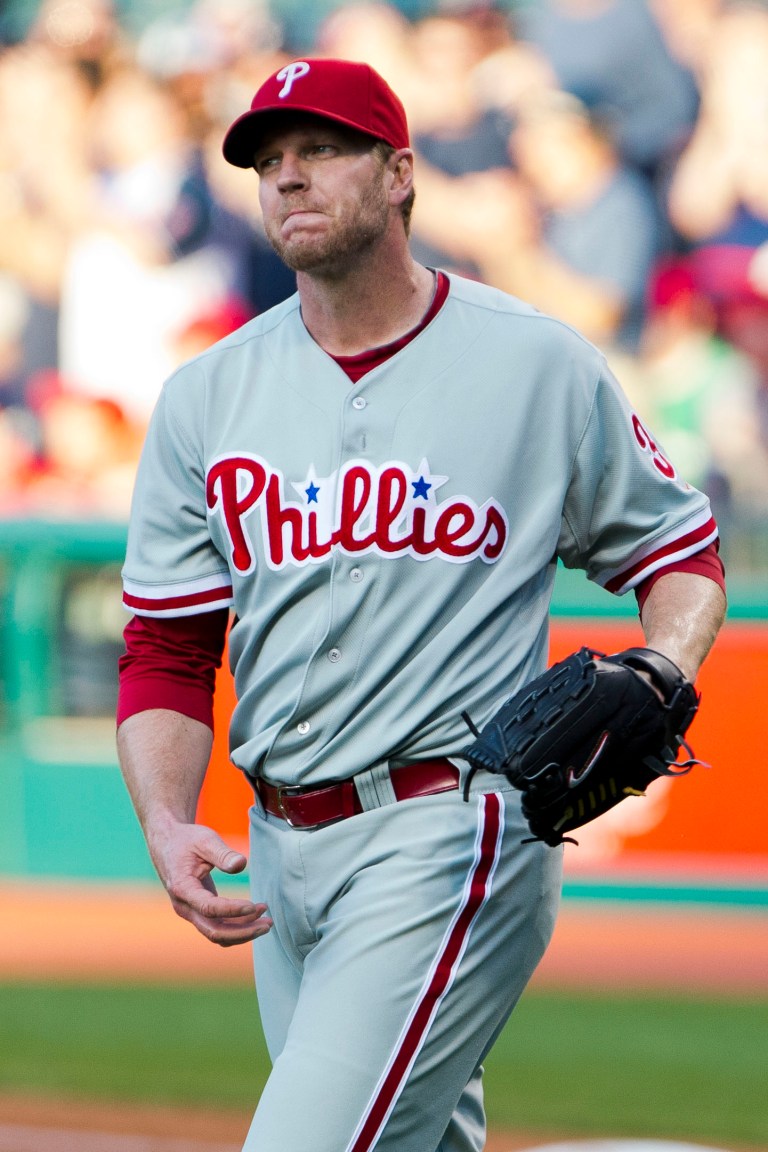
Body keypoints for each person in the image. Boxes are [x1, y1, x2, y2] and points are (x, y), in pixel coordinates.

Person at [116, 58, 726, 1152]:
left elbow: (681, 552)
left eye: (321, 151)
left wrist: (664, 668)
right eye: (267, 160)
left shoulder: (535, 363)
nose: (288, 178)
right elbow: (166, 645)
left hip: (449, 830)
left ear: (400, 175)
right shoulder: (205, 395)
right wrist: (164, 819)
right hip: (282, 853)